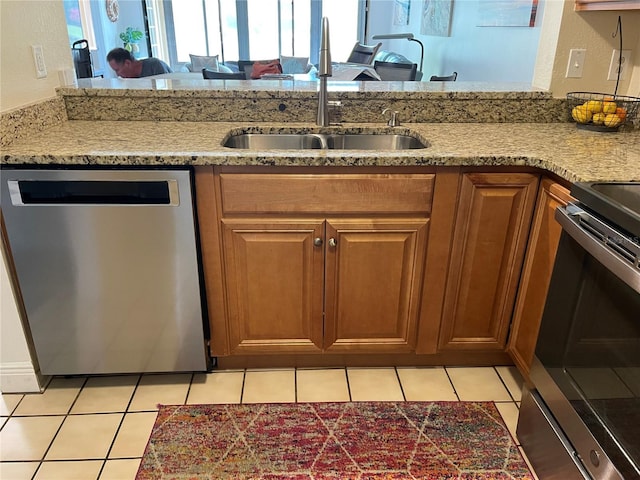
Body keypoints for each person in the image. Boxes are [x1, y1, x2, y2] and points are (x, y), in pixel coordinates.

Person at [106, 48, 172, 78]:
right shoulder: (128, 80)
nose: (118, 75)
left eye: (117, 70)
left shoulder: (154, 65)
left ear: (127, 63)